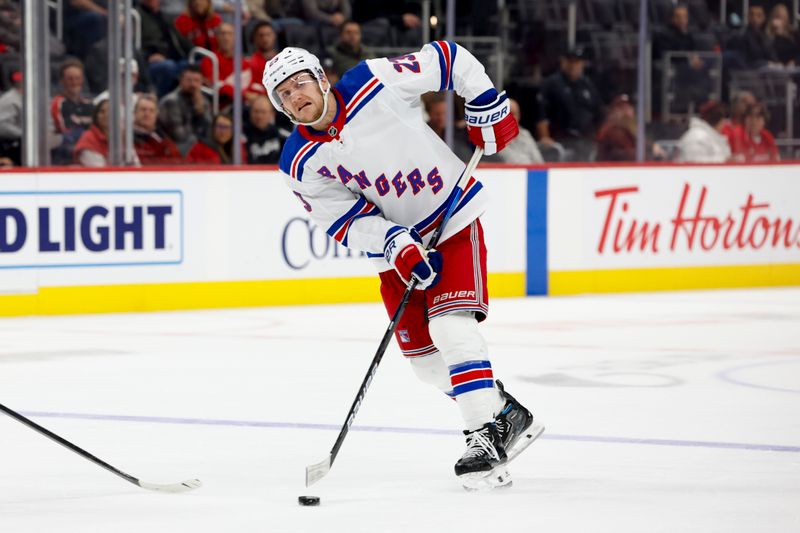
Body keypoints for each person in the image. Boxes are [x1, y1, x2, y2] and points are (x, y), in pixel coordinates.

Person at [263, 44, 544, 489]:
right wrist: (395, 243)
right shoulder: (298, 162)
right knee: (427, 365)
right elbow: (343, 220)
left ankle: (482, 436)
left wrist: (485, 101)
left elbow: (450, 59)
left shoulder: (372, 80)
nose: (295, 94)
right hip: (398, 252)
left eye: (300, 81)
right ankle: (504, 413)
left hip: (451, 219)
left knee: (452, 330)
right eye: (283, 93)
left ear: (320, 78)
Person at [536, 47, 604, 161]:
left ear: (582, 64)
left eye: (576, 62)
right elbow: (541, 114)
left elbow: (598, 112)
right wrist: (545, 137)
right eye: (570, 61)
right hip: (561, 141)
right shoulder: (552, 84)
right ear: (563, 62)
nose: (573, 65)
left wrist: (599, 137)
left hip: (585, 140)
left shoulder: (587, 85)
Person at [138, 0, 193, 96]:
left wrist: (195, 51)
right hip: (151, 61)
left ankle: (185, 101)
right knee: (168, 66)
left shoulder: (164, 17)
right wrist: (148, 56)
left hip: (174, 58)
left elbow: (180, 39)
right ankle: (160, 100)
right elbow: (135, 44)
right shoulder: (137, 16)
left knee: (193, 64)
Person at [199, 23, 257, 108]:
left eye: (229, 34)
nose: (226, 38)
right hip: (224, 106)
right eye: (222, 34)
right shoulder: (209, 60)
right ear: (217, 37)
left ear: (235, 38)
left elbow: (252, 84)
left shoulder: (244, 62)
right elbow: (216, 85)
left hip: (246, 105)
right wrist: (244, 94)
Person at [159, 64, 212, 155]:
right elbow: (180, 136)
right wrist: (198, 114)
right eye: (189, 80)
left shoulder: (203, 101)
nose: (193, 84)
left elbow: (209, 132)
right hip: (174, 149)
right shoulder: (171, 101)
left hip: (197, 147)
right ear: (181, 80)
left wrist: (200, 111)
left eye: (197, 81)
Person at [51, 59, 95, 164]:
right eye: (70, 79)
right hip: (65, 152)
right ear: (62, 81)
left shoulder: (89, 103)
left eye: (77, 78)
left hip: (90, 147)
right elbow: (65, 130)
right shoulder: (58, 103)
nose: (74, 82)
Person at [133, 94, 184, 165]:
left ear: (156, 115)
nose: (147, 114)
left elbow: (178, 162)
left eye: (151, 111)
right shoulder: (127, 139)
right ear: (134, 113)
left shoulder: (163, 137)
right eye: (143, 109)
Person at [492, 98, 543, 164]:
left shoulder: (525, 134)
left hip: (528, 172)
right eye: (507, 114)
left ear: (519, 116)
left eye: (513, 114)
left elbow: (539, 162)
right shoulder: (490, 138)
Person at [243, 95, 290, 163]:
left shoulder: (284, 136)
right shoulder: (241, 135)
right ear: (250, 112)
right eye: (256, 111)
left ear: (272, 114)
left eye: (263, 112)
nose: (259, 116)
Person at [595, 95, 637, 162]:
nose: (627, 111)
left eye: (628, 107)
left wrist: (652, 148)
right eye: (622, 108)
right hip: (611, 170)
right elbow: (626, 155)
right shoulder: (611, 131)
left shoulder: (629, 129)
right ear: (615, 111)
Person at [74, 97, 111, 167]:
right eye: (102, 111)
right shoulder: (88, 139)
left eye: (111, 111)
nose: (106, 115)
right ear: (96, 116)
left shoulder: (123, 138)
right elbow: (98, 171)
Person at [247, 21, 280, 98]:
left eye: (268, 34)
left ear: (274, 36)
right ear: (255, 38)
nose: (265, 38)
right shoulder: (250, 63)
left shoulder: (284, 60)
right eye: (261, 35)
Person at [0, 70, 22, 165]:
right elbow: (1, 125)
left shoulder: (37, 96)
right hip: (13, 147)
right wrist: (25, 135)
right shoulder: (10, 99)